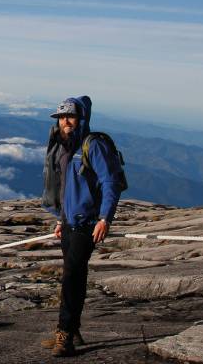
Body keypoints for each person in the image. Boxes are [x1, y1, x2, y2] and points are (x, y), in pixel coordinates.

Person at [40, 96, 125, 357]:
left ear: (82, 119)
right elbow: (66, 188)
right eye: (61, 117)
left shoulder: (93, 145)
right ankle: (72, 329)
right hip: (68, 223)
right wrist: (60, 218)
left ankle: (64, 335)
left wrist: (104, 219)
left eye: (71, 116)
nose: (65, 121)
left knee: (71, 277)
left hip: (86, 225)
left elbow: (110, 183)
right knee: (74, 276)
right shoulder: (64, 148)